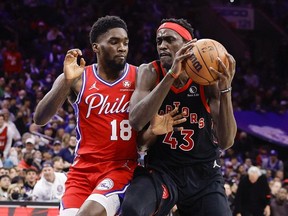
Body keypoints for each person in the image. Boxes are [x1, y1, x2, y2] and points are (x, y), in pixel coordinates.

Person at [121, 18, 237, 215]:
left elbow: (226, 141)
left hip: (204, 173)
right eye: (159, 41)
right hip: (163, 171)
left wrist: (225, 90)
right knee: (132, 209)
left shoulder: (207, 79)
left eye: (169, 40)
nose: (163, 46)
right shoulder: (149, 71)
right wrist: (171, 76)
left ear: (189, 45)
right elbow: (136, 121)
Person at [33, 15, 145, 216]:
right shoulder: (78, 77)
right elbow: (40, 118)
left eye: (126, 43)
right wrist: (66, 82)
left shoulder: (140, 76)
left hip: (120, 168)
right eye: (114, 42)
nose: (122, 47)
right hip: (81, 171)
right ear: (96, 47)